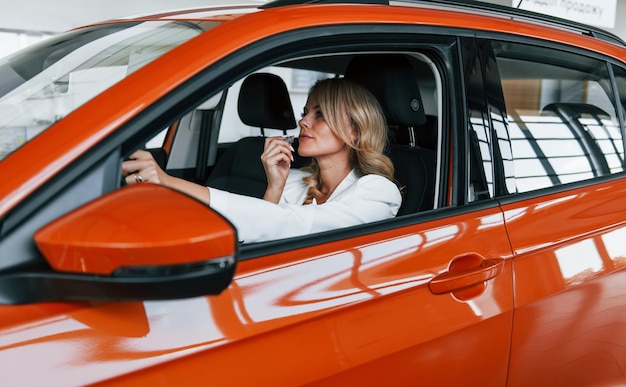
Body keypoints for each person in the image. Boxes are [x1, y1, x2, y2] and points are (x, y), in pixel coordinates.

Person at [122, 77, 402, 243]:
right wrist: (275, 186)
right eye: (305, 112)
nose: (302, 121)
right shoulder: (294, 181)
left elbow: (287, 223)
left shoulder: (377, 192)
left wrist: (169, 182)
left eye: (320, 115)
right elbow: (260, 239)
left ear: (355, 129)